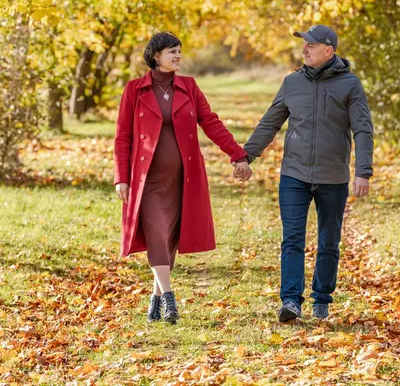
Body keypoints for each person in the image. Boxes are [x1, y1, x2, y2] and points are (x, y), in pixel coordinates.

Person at [114, 32, 252, 324]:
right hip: (147, 179)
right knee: (156, 232)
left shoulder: (188, 87)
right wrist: (121, 178)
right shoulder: (134, 90)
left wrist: (237, 154)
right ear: (155, 56)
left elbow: (211, 123)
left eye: (179, 51)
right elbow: (123, 136)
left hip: (183, 178)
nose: (177, 56)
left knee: (169, 236)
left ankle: (154, 299)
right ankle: (169, 298)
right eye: (171, 52)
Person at [239, 24, 373, 322]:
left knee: (328, 241)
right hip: (294, 175)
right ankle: (290, 301)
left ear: (328, 51)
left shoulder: (350, 85)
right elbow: (269, 123)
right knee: (292, 238)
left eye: (310, 45)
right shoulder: (291, 83)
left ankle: (322, 299)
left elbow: (363, 129)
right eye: (304, 44)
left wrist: (362, 171)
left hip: (333, 177)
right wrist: (245, 156)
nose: (304, 49)